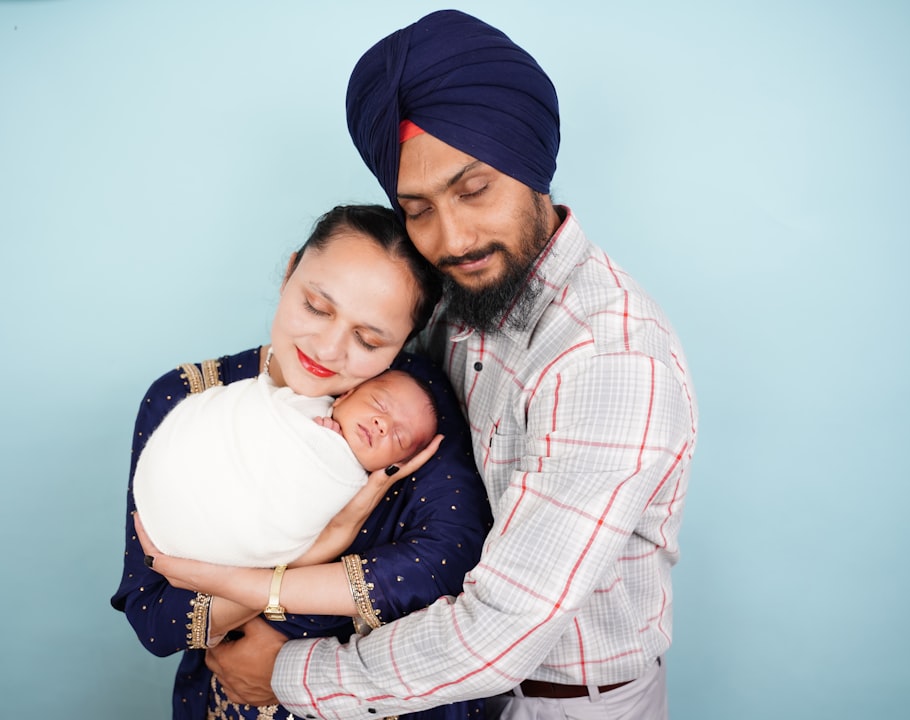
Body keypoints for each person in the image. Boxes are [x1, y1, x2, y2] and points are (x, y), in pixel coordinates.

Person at [199, 10, 699, 720]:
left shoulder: (608, 359)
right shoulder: (454, 292)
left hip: (557, 704)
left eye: (474, 190)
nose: (452, 237)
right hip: (437, 694)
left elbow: (502, 632)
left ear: (530, 166)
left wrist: (286, 673)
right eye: (417, 209)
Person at [111, 203, 493, 720]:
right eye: (316, 306)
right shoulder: (186, 399)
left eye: (369, 339)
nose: (329, 348)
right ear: (290, 272)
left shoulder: (406, 410)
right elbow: (155, 620)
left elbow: (447, 567)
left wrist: (260, 610)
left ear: (405, 343)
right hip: (231, 703)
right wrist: (318, 552)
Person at [133, 366, 439, 567]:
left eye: (399, 437)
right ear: (347, 393)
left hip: (217, 540)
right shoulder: (302, 399)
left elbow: (295, 509)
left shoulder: (354, 487)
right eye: (379, 404)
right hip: (174, 488)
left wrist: (326, 448)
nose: (382, 424)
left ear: (397, 464)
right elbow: (245, 415)